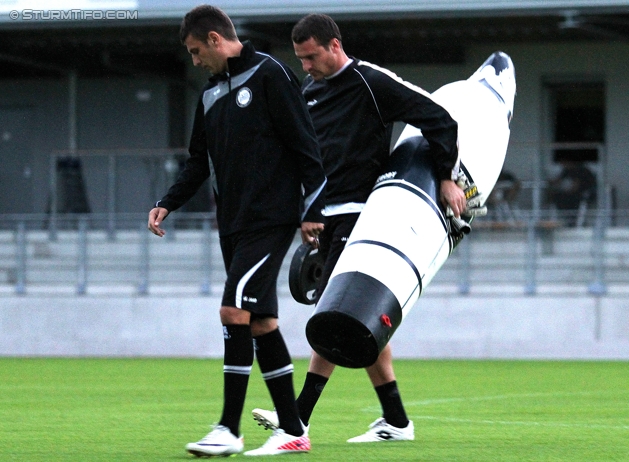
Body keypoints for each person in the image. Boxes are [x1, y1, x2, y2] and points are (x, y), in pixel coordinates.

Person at [252, 13, 466, 443]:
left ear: (334, 45)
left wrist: (446, 175)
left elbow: (439, 118)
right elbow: (306, 161)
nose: (306, 66)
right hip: (325, 220)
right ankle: (397, 421)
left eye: (311, 56)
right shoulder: (308, 93)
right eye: (300, 59)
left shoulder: (370, 81)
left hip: (363, 218)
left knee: (337, 317)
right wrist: (306, 212)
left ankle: (297, 421)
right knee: (361, 322)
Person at [147, 5, 326, 457]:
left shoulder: (271, 74)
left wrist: (312, 210)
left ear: (213, 39)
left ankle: (229, 427)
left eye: (194, 51)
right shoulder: (208, 96)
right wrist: (167, 202)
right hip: (232, 223)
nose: (193, 61)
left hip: (271, 218)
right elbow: (196, 162)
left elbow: (306, 146)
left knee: (232, 312)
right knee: (262, 322)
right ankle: (292, 430)